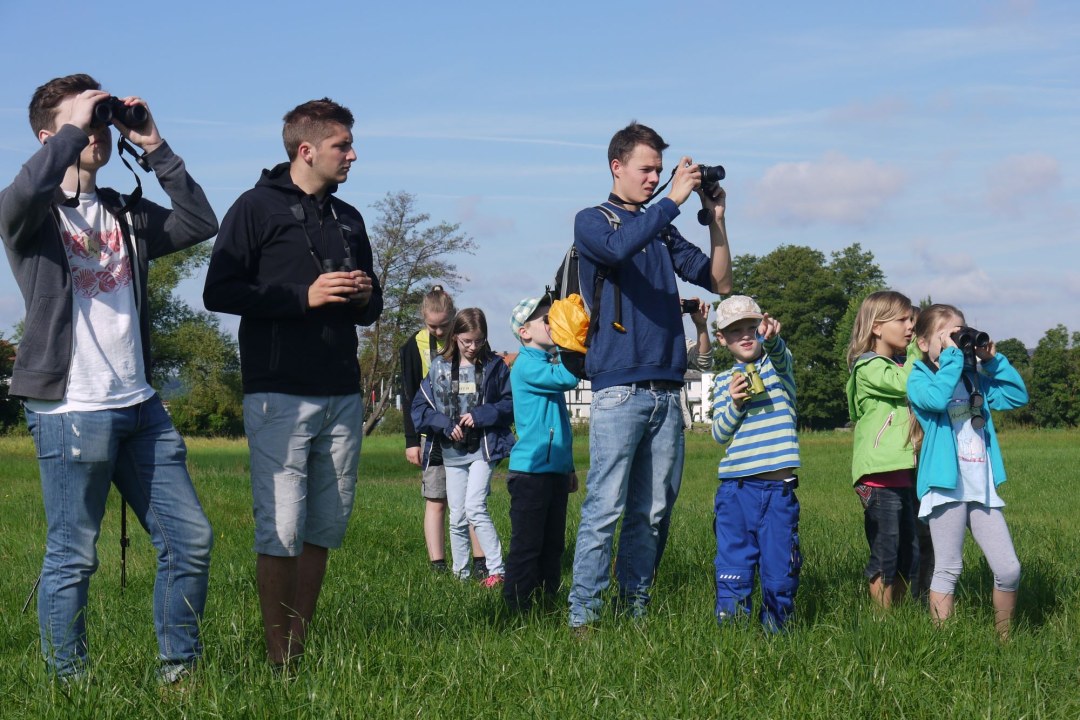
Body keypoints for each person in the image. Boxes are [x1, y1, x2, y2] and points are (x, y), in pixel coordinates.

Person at [0, 74, 217, 681]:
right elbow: (21, 193)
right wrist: (74, 127)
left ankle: (180, 669)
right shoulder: (29, 216)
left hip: (141, 407)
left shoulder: (125, 212)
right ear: (52, 137)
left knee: (190, 541)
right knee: (73, 556)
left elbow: (200, 222)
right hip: (71, 408)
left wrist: (153, 144)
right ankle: (69, 682)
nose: (97, 131)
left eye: (101, 121)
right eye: (84, 121)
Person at [202, 98, 383, 665]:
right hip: (278, 391)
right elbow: (219, 291)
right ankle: (277, 653)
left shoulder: (349, 217)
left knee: (322, 528)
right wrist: (301, 298)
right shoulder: (254, 208)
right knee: (280, 528)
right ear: (307, 150)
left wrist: (362, 296)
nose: (353, 154)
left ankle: (297, 646)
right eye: (342, 145)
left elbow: (371, 306)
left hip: (342, 394)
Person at [568, 121, 733, 630]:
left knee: (655, 512)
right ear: (616, 167)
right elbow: (618, 251)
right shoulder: (593, 220)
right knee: (605, 508)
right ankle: (585, 620)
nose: (655, 177)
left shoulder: (661, 226)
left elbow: (719, 281)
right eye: (646, 169)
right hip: (619, 387)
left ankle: (634, 610)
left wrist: (717, 220)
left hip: (668, 387)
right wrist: (674, 199)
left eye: (660, 171)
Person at [907, 304, 1028, 639]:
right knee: (949, 567)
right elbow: (934, 400)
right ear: (922, 342)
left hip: (980, 486)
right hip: (945, 486)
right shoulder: (920, 377)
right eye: (947, 335)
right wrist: (950, 358)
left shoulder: (974, 378)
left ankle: (1004, 640)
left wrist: (991, 361)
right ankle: (944, 645)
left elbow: (1016, 398)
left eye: (961, 333)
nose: (957, 342)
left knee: (1009, 568)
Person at [709, 296, 801, 631]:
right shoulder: (723, 382)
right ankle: (732, 635)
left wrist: (773, 341)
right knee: (734, 565)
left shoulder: (778, 369)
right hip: (736, 490)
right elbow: (719, 435)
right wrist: (734, 403)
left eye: (752, 328)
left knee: (780, 570)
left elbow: (780, 355)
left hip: (778, 489)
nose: (746, 336)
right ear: (722, 339)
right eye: (735, 331)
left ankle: (777, 633)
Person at [411, 308, 513, 586]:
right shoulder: (438, 368)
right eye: (467, 341)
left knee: (475, 506)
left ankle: (497, 571)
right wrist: (444, 424)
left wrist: (481, 416)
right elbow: (419, 409)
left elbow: (508, 406)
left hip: (484, 448)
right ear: (455, 337)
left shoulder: (496, 366)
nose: (472, 347)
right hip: (451, 451)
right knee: (456, 516)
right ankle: (460, 576)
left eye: (478, 341)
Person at [400, 286, 488, 576]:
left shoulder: (469, 340)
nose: (438, 331)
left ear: (453, 317)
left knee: (472, 503)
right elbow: (411, 395)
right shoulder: (413, 346)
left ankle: (480, 562)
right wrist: (412, 441)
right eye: (431, 326)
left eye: (443, 325)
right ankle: (437, 565)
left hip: (470, 436)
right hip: (433, 437)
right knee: (436, 499)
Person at [845, 290, 922, 608]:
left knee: (909, 555)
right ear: (876, 326)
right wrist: (921, 346)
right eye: (903, 320)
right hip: (878, 478)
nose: (910, 328)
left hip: (903, 477)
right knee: (885, 553)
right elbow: (907, 384)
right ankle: (882, 624)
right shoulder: (869, 367)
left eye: (912, 322)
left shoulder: (896, 365)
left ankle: (900, 619)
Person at [503, 297, 580, 611]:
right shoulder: (527, 365)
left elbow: (559, 424)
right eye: (546, 320)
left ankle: (547, 601)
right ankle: (516, 605)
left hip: (554, 470)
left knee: (553, 544)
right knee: (527, 544)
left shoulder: (544, 362)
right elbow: (569, 377)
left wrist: (569, 466)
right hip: (531, 473)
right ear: (524, 333)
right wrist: (571, 339)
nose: (554, 324)